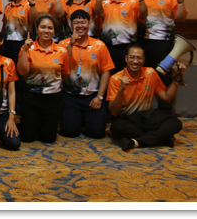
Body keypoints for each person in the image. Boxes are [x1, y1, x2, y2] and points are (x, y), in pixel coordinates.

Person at [107, 45, 185, 150]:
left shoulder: (150, 73)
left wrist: (177, 77)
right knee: (117, 127)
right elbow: (114, 112)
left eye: (139, 58)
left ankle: (136, 142)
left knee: (176, 123)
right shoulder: (116, 79)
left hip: (148, 118)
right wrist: (121, 90)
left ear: (144, 60)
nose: (135, 61)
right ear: (126, 58)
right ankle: (161, 138)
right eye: (132, 57)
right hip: (129, 121)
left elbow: (167, 98)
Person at [59, 10, 114, 139]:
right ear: (71, 25)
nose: (80, 26)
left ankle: (85, 120)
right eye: (76, 23)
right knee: (69, 131)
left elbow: (106, 71)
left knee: (97, 133)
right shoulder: (62, 44)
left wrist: (100, 97)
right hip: (70, 95)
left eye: (83, 22)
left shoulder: (99, 45)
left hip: (92, 96)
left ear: (89, 24)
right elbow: (61, 68)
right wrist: (71, 45)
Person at [16, 15, 70, 143]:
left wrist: (51, 85)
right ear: (37, 29)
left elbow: (65, 73)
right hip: (31, 97)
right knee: (27, 138)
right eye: (43, 27)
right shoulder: (28, 48)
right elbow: (22, 72)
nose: (46, 31)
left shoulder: (61, 51)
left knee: (48, 138)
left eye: (50, 28)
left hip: (53, 99)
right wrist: (25, 50)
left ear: (54, 31)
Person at [139, 0, 188, 81]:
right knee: (144, 77)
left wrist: (180, 0)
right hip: (143, 41)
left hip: (164, 43)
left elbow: (181, 18)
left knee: (164, 77)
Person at [101, 0, 148, 74]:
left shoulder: (133, 3)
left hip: (127, 47)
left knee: (127, 75)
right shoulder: (104, 4)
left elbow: (144, 15)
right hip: (108, 48)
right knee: (109, 75)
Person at [1, 0, 32, 66]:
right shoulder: (8, 6)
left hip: (22, 43)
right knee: (8, 68)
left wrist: (32, 3)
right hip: (7, 43)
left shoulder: (29, 5)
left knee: (20, 68)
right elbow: (4, 26)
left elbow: (34, 20)